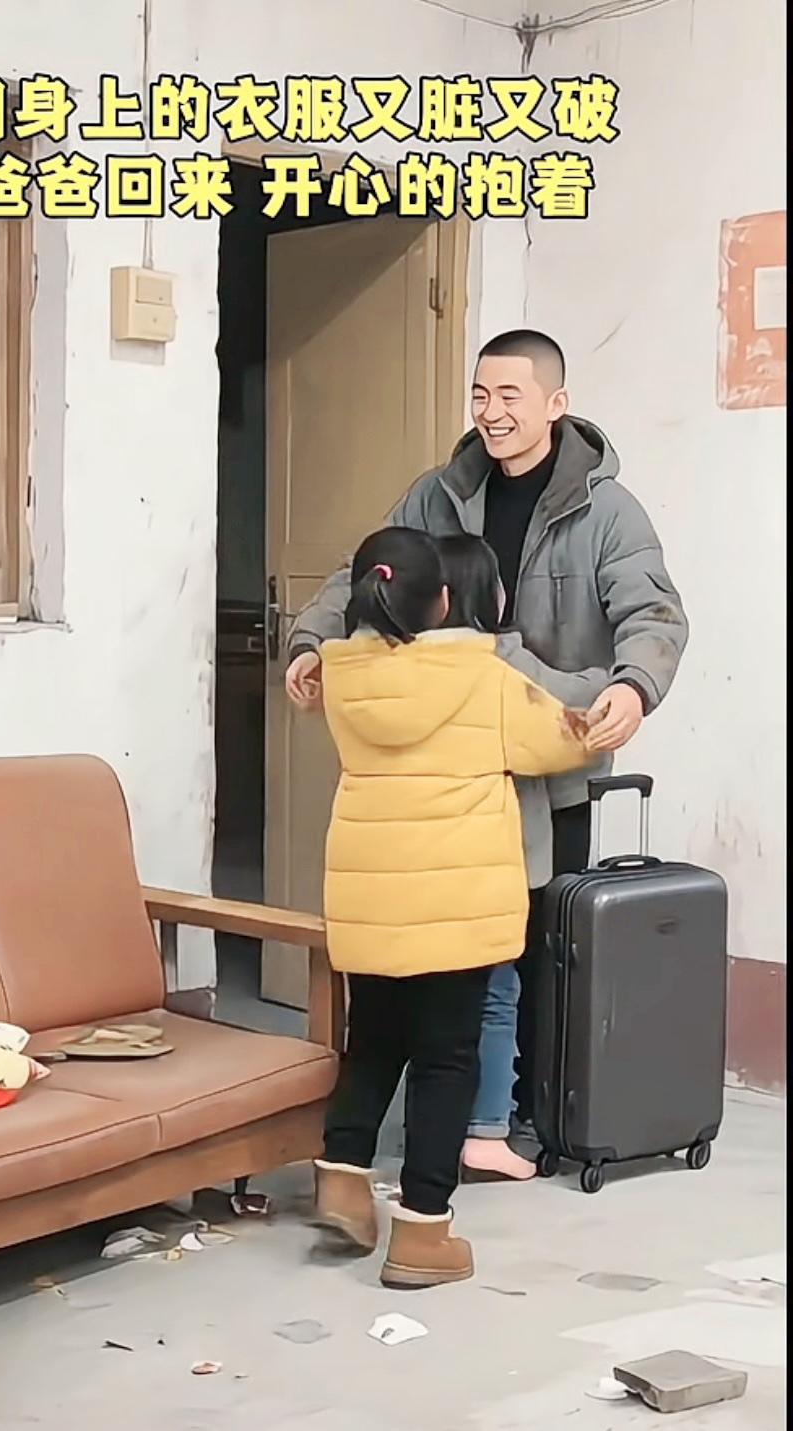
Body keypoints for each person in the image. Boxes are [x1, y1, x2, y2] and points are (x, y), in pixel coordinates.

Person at [287, 330, 688, 1159]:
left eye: (510, 395)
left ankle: (526, 1113)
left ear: (555, 404)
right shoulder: (438, 494)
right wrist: (309, 642)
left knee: (539, 949)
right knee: (455, 955)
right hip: (452, 766)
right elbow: (362, 573)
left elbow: (653, 612)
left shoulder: (607, 511)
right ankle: (469, 1123)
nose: (492, 412)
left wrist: (632, 686)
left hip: (554, 761)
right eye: (480, 394)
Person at [313, 526, 593, 1289]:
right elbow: (563, 741)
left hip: (372, 900)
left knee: (373, 1040)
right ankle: (422, 1231)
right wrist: (613, 702)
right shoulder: (484, 677)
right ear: (442, 601)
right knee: (446, 1061)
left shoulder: (341, 678)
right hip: (457, 909)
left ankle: (342, 1180)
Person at [436, 535, 610, 1181]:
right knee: (497, 991)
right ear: (494, 596)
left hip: (423, 866)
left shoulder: (398, 667)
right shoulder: (505, 665)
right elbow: (573, 721)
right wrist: (617, 684)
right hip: (497, 864)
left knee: (424, 997)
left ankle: (427, 1126)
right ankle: (485, 1130)